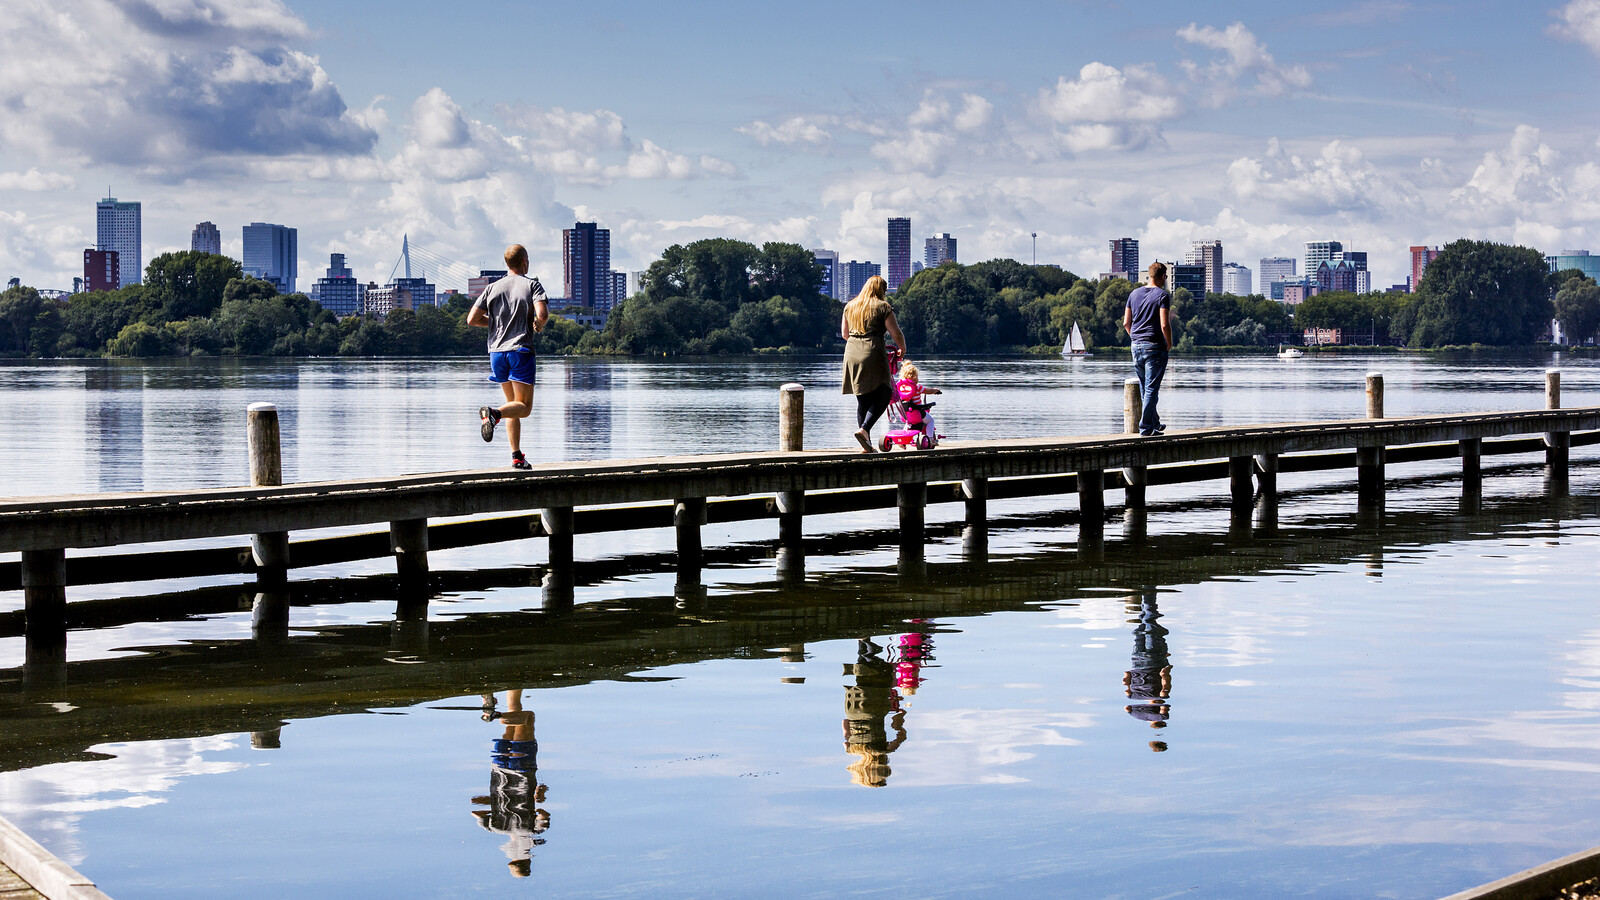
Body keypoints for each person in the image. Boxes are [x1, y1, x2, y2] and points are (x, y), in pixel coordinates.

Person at [468, 244, 549, 470]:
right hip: (520, 351)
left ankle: (516, 457)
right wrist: (538, 324)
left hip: (496, 353)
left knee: (512, 404)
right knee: (523, 407)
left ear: (507, 264)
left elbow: (472, 319)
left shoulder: (492, 287)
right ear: (525, 262)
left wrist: (494, 323)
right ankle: (493, 414)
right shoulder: (532, 284)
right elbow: (542, 314)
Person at [473, 690, 551, 877]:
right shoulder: (494, 828)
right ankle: (512, 687)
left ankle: (494, 714)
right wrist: (494, 802)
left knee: (527, 718)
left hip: (523, 769)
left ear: (528, 861)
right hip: (499, 771)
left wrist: (539, 797)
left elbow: (542, 814)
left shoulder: (534, 833)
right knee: (514, 717)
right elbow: (475, 810)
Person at [840, 275, 907, 453]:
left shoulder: (850, 306)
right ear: (880, 290)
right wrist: (902, 348)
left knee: (862, 398)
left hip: (851, 352)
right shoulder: (883, 307)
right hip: (872, 350)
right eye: (884, 290)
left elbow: (845, 335)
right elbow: (896, 333)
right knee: (886, 392)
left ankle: (866, 443)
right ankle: (864, 430)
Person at [1122, 261, 1173, 436]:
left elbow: (1126, 323)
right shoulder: (1162, 296)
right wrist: (1169, 342)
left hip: (1135, 346)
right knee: (1151, 389)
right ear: (1163, 277)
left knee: (1145, 387)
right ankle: (1145, 428)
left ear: (1149, 275)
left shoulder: (1133, 294)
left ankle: (1154, 423)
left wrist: (1135, 338)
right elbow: (1164, 324)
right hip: (1155, 347)